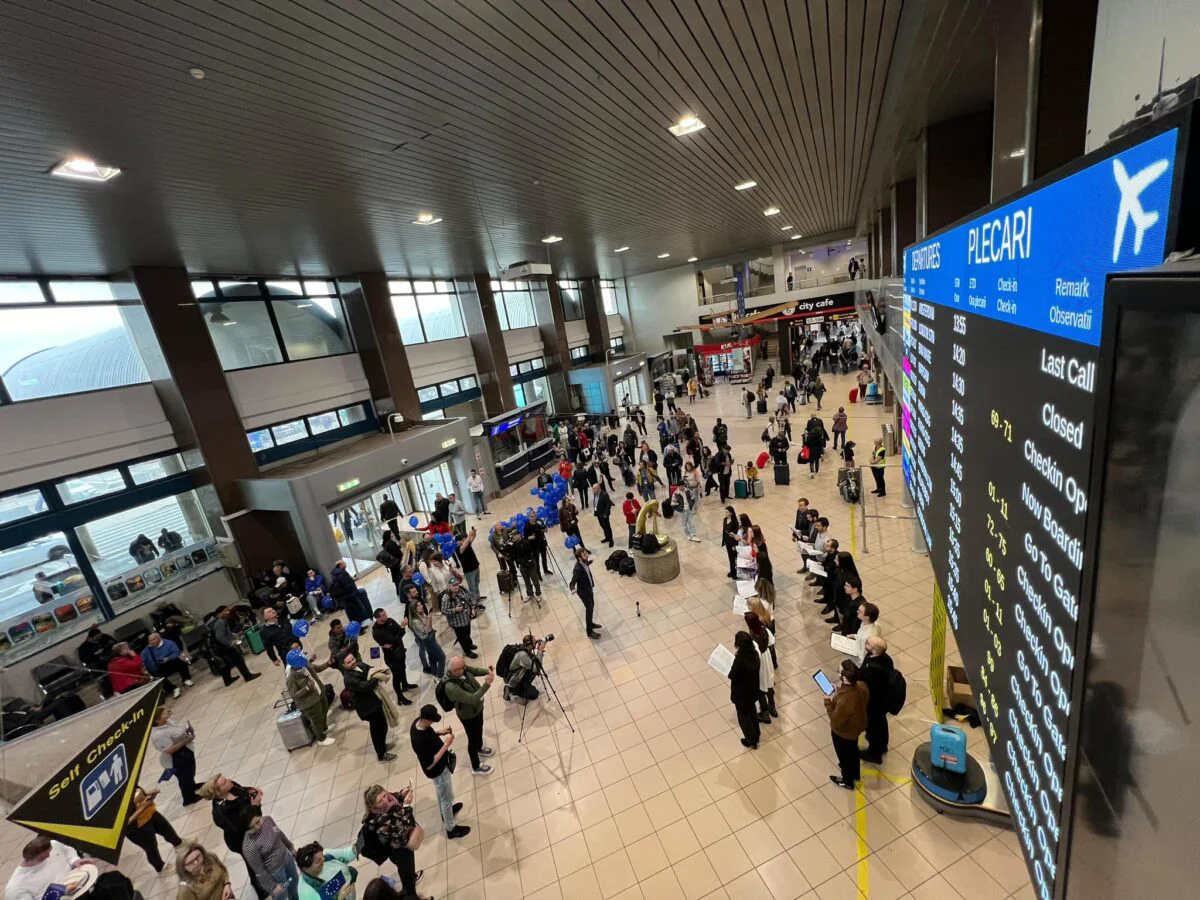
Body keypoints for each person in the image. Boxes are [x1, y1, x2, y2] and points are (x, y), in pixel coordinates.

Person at [201, 775, 268, 900]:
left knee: (260, 857)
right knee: (253, 863)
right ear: (218, 792)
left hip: (253, 830)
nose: (229, 780)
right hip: (240, 840)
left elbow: (243, 790)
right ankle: (261, 890)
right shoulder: (222, 810)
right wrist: (255, 806)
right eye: (224, 782)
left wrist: (252, 792)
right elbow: (241, 825)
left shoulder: (232, 786)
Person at [409, 705, 469, 839]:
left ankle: (444, 813)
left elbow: (428, 734)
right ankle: (451, 829)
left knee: (441, 793)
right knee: (447, 798)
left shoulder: (417, 723)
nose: (432, 723)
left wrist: (440, 732)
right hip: (438, 771)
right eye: (432, 721)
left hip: (439, 771)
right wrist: (446, 744)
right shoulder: (418, 741)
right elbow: (430, 764)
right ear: (426, 720)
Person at [359, 786, 426, 900]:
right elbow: (404, 830)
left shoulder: (387, 803)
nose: (386, 800)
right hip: (398, 850)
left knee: (405, 870)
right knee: (407, 871)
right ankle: (410, 893)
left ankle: (409, 878)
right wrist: (407, 806)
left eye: (385, 795)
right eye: (380, 801)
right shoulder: (381, 821)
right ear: (374, 807)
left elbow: (393, 797)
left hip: (395, 847)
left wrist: (401, 794)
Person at [442, 656, 495, 775]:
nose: (465, 668)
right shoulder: (451, 687)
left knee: (479, 728)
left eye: (465, 665)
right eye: (462, 667)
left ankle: (480, 747)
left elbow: (474, 670)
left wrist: (487, 671)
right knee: (472, 738)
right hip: (468, 715)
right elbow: (472, 699)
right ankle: (476, 766)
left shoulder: (462, 669)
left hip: (477, 709)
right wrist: (487, 684)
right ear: (454, 671)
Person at [342, 650, 396, 761]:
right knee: (377, 730)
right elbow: (366, 686)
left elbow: (370, 669)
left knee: (382, 726)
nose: (352, 662)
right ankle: (381, 753)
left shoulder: (359, 664)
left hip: (374, 700)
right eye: (348, 662)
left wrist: (375, 673)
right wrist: (376, 677)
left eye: (352, 659)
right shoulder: (348, 679)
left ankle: (382, 746)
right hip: (367, 707)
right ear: (344, 665)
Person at [826, 660, 870, 789]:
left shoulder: (844, 700)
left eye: (839, 671)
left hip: (843, 733)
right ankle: (855, 773)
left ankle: (847, 781)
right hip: (856, 728)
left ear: (844, 677)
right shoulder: (862, 686)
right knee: (853, 751)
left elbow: (835, 721)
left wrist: (828, 703)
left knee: (844, 757)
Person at [125, 785, 182, 872]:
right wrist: (144, 806)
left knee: (167, 829)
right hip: (137, 827)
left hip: (151, 813)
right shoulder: (111, 799)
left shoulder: (126, 778)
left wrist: (149, 793)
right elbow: (126, 822)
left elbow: (138, 791)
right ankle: (161, 868)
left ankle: (179, 844)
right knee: (151, 848)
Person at [152, 706, 201, 805]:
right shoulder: (158, 735)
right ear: (157, 720)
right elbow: (170, 750)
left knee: (190, 772)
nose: (168, 711)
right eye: (164, 712)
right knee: (184, 777)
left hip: (186, 750)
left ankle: (192, 786)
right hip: (176, 758)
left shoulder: (170, 722)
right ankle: (189, 798)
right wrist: (186, 740)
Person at [242, 814, 298, 900]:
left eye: (258, 821)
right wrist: (272, 886)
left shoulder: (267, 820)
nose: (258, 826)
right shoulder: (249, 846)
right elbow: (259, 871)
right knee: (281, 896)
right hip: (276, 873)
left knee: (294, 882)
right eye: (252, 827)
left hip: (287, 858)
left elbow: (280, 834)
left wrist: (291, 847)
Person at [859, 636, 895, 764]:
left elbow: (866, 686)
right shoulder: (886, 659)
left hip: (874, 704)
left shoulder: (874, 669)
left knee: (874, 727)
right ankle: (882, 746)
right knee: (881, 725)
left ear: (874, 651)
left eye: (868, 643)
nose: (865, 644)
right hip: (881, 702)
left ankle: (874, 753)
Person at [371, 608, 416, 704]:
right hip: (391, 656)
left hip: (400, 650)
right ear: (377, 618)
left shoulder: (390, 621)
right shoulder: (377, 632)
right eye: (383, 615)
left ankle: (405, 685)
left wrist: (399, 632)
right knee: (396, 676)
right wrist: (400, 630)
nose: (386, 615)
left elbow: (400, 633)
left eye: (385, 613)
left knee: (403, 668)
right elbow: (396, 638)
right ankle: (400, 697)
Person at [210, 607, 260, 686]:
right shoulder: (220, 622)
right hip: (225, 647)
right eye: (226, 610)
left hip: (219, 648)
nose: (228, 612)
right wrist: (229, 643)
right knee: (239, 660)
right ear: (219, 613)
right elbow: (220, 637)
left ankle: (228, 680)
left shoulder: (216, 621)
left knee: (226, 664)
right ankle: (248, 676)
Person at [729, 632, 762, 749]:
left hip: (741, 694)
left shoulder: (740, 660)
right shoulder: (755, 655)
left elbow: (732, 675)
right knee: (752, 712)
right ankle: (757, 734)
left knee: (744, 718)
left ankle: (751, 740)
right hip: (752, 691)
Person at [295, 842, 359, 900]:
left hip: (349, 891)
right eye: (318, 861)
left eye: (322, 855)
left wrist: (357, 847)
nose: (323, 859)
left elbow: (347, 853)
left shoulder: (326, 855)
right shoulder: (307, 892)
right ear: (306, 868)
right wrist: (339, 898)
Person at [744, 611, 777, 720]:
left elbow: (753, 654)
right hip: (767, 658)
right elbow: (772, 641)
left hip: (760, 663)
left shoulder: (752, 638)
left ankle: (764, 713)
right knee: (769, 683)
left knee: (761, 688)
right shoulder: (765, 629)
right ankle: (772, 707)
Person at [405, 590, 445, 678]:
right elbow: (426, 630)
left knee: (432, 657)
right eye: (418, 606)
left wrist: (428, 618)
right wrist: (429, 618)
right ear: (414, 609)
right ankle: (440, 676)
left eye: (421, 604)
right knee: (442, 657)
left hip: (431, 637)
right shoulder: (415, 621)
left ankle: (434, 673)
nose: (421, 606)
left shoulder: (421, 614)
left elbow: (429, 626)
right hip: (428, 640)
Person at [141, 631, 193, 696]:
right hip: (159, 666)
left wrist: (168, 658)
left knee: (181, 662)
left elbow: (176, 652)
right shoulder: (147, 650)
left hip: (170, 661)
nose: (151, 642)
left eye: (153, 640)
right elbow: (144, 659)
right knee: (156, 677)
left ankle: (186, 679)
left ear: (159, 638)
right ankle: (173, 689)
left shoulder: (169, 643)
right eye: (150, 641)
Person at [441, 580, 479, 657]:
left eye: (457, 585)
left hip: (466, 618)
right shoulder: (446, 597)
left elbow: (470, 599)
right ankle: (467, 651)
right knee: (462, 638)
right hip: (457, 623)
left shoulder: (463, 590)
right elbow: (444, 611)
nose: (456, 587)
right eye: (453, 585)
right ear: (449, 586)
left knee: (468, 633)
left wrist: (473, 608)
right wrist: (455, 610)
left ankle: (470, 644)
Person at [569, 547, 601, 639]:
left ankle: (591, 624)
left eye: (586, 553)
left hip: (589, 588)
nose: (587, 555)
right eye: (584, 555)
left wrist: (590, 562)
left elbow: (586, 564)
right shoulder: (577, 569)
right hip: (583, 592)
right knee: (589, 609)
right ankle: (589, 632)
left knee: (592, 605)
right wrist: (572, 589)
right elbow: (572, 582)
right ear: (579, 558)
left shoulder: (583, 563)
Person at [503, 635, 545, 701]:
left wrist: (536, 642)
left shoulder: (523, 647)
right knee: (535, 694)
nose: (536, 642)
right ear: (530, 644)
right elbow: (537, 668)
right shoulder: (523, 656)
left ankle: (522, 686)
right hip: (514, 680)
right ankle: (511, 691)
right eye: (535, 641)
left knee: (533, 672)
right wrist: (540, 651)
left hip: (518, 673)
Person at [456, 526, 484, 599]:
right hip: (469, 571)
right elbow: (463, 547)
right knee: (472, 587)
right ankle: (474, 602)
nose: (465, 541)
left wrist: (474, 532)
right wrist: (469, 536)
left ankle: (478, 597)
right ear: (458, 542)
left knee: (477, 583)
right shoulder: (458, 549)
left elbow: (473, 537)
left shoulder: (467, 544)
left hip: (476, 566)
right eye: (463, 539)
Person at [720, 506, 740, 579]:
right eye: (725, 512)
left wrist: (734, 538)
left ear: (731, 513)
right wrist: (724, 541)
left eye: (727, 512)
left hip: (733, 543)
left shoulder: (734, 522)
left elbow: (737, 533)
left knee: (734, 558)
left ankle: (735, 572)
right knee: (730, 557)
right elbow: (724, 531)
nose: (725, 513)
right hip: (727, 542)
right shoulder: (725, 520)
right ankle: (732, 571)